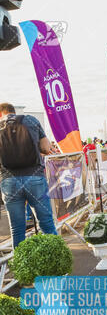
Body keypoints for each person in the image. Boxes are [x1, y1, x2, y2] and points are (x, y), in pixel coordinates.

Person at [0, 103, 58, 248]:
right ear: (12, 111)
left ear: (1, 114)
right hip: (35, 177)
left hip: (8, 181)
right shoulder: (31, 120)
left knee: (17, 229)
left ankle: (22, 268)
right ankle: (57, 265)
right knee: (46, 223)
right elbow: (45, 148)